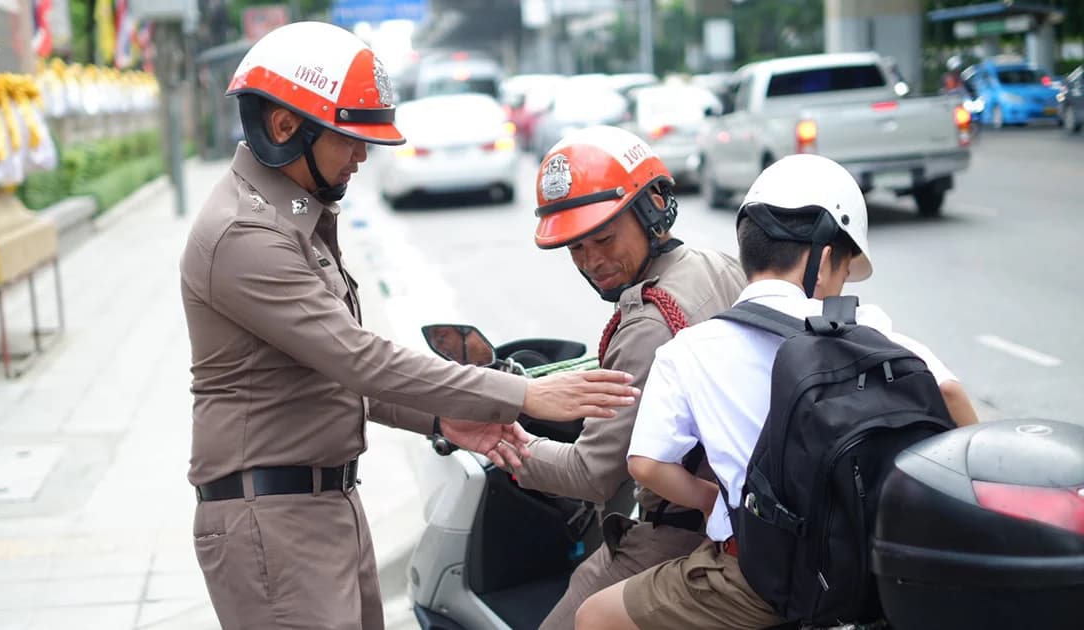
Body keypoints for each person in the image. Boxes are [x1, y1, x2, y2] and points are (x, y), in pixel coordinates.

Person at [179, 22, 641, 630]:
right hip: (272, 518)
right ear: (287, 128)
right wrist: (526, 393)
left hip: (321, 504)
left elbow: (322, 374)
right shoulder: (246, 235)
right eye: (348, 138)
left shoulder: (291, 216)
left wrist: (438, 417)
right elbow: (358, 358)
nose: (361, 156)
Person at [574, 153, 979, 630]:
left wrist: (709, 501)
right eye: (847, 272)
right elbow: (950, 395)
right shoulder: (871, 329)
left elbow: (644, 464)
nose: (843, 285)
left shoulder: (691, 349)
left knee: (595, 615)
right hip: (872, 564)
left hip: (758, 580)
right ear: (827, 257)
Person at [450, 126, 746, 629]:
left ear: (653, 210)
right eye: (575, 249)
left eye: (604, 238)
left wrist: (505, 445)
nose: (592, 262)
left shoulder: (649, 319)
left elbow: (592, 475)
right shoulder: (716, 266)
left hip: (676, 538)